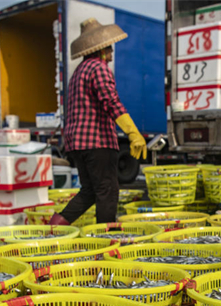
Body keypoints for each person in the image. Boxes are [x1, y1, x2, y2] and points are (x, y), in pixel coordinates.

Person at [49, 18, 146, 226]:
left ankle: (54, 227)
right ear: (100, 49)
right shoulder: (98, 68)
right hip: (97, 142)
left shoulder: (78, 72)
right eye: (109, 49)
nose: (111, 55)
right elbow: (111, 102)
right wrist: (133, 132)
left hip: (77, 143)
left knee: (90, 191)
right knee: (107, 191)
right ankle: (106, 239)